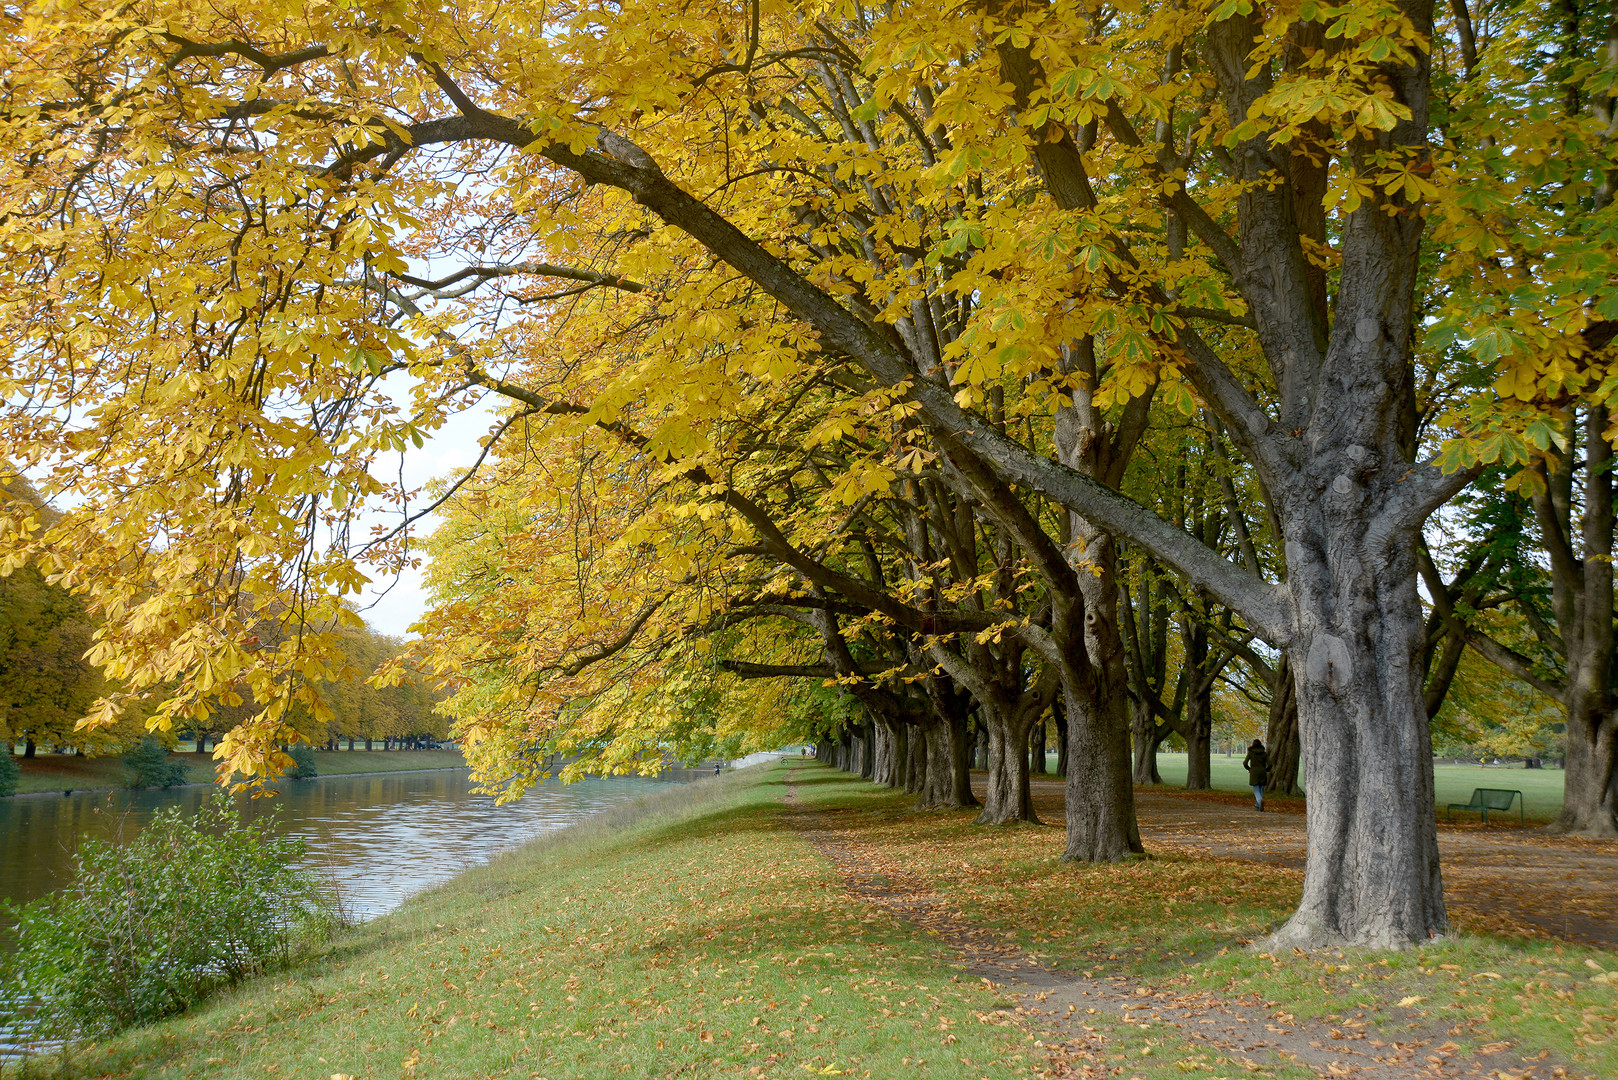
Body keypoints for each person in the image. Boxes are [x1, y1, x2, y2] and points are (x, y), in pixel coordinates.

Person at [1242, 739, 1269, 811]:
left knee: (1256, 788)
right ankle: (1257, 806)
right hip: (1262, 771)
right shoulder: (1264, 754)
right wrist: (1267, 769)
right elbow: (1270, 764)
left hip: (1254, 772)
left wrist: (1248, 769)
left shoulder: (1251, 753)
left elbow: (1245, 763)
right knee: (1260, 788)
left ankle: (1260, 801)